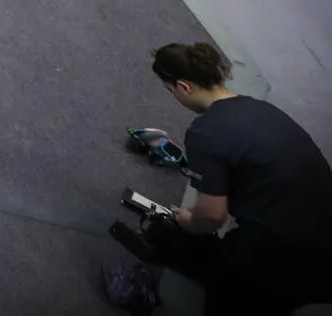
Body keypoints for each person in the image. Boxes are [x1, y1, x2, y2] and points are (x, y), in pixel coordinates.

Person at [105, 41, 332, 314]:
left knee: (230, 293)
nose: (172, 96)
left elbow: (212, 217)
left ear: (185, 87)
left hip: (286, 259)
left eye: (170, 90)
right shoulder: (260, 110)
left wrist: (187, 220)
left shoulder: (206, 132)